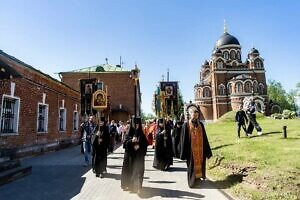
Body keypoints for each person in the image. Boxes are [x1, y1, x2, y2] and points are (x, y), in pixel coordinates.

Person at [180, 108, 212, 188]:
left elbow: (205, 137)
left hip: (200, 149)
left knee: (200, 164)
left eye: (197, 114)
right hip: (191, 151)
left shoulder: (201, 124)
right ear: (190, 114)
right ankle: (192, 182)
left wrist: (207, 151)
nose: (195, 116)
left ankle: (198, 179)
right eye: (194, 114)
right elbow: (183, 139)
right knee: (192, 166)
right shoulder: (186, 125)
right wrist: (184, 152)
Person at [121, 117, 148, 195]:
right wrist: (131, 141)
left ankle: (138, 187)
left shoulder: (141, 135)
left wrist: (139, 147)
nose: (136, 126)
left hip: (138, 157)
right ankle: (128, 185)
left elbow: (145, 145)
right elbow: (125, 144)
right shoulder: (128, 133)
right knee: (129, 171)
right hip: (130, 156)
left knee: (138, 172)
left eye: (137, 124)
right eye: (134, 124)